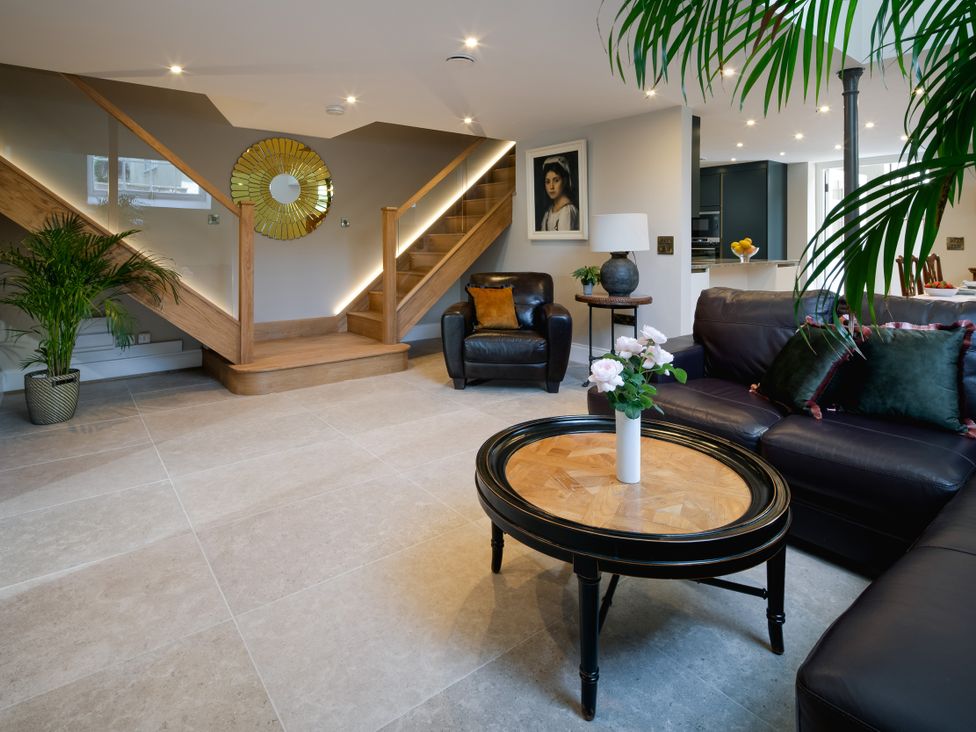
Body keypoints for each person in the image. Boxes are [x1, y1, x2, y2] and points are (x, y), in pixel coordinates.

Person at [539, 155, 579, 231]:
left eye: (556, 180)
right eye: (547, 182)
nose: (551, 187)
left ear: (565, 181)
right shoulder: (548, 213)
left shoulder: (567, 211)